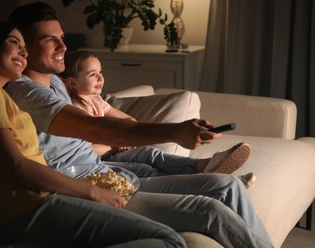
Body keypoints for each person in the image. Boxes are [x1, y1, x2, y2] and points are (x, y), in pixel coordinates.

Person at [3, 2, 273, 247]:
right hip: (80, 186)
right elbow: (95, 128)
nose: (63, 46)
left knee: (228, 187)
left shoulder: (55, 83)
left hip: (107, 172)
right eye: (51, 40)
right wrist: (174, 131)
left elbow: (101, 110)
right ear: (23, 45)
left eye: (62, 38)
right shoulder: (22, 91)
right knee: (208, 212)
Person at [0, 21, 192, 247]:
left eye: (24, 47)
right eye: (14, 43)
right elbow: (17, 165)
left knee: (167, 235)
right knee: (169, 240)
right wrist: (92, 192)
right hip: (28, 209)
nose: (23, 52)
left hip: (35, 205)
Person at [60, 50, 256, 187]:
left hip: (111, 152)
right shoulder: (75, 109)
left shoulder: (98, 101)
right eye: (93, 74)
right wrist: (115, 143)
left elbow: (130, 122)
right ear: (72, 83)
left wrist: (123, 136)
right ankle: (214, 180)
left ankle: (205, 166)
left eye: (101, 72)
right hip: (98, 161)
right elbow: (85, 150)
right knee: (142, 168)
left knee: (149, 154)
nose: (101, 78)